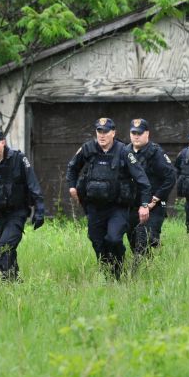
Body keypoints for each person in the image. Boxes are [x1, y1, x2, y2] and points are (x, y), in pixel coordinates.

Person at [66, 117, 152, 278]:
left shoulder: (124, 152)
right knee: (96, 240)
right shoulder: (88, 148)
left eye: (106, 132)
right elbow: (72, 167)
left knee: (113, 239)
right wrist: (72, 186)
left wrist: (144, 204)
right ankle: (108, 271)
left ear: (113, 133)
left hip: (117, 207)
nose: (102, 135)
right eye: (99, 131)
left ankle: (118, 267)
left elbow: (142, 180)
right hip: (94, 206)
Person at [0, 127, 46, 280]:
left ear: (3, 143)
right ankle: (14, 279)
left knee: (5, 245)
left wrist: (39, 211)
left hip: (17, 212)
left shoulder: (18, 159)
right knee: (6, 246)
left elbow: (33, 185)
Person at [125, 118, 177, 256]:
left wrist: (154, 200)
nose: (136, 136)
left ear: (147, 134)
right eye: (133, 133)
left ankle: (142, 266)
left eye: (139, 133)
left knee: (145, 239)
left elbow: (171, 177)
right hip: (133, 205)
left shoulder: (155, 152)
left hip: (153, 206)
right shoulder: (125, 151)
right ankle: (147, 264)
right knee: (133, 240)